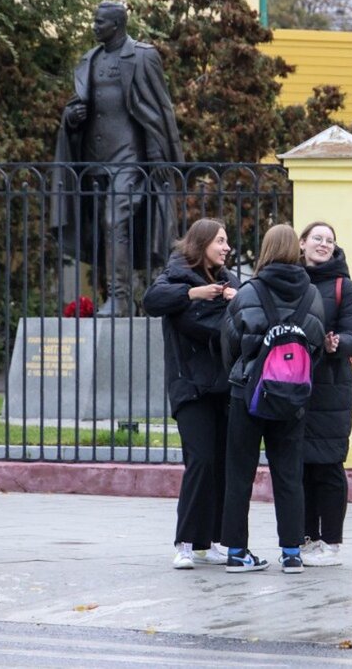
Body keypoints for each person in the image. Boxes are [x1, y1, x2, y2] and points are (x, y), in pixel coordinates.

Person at [51, 0, 183, 317]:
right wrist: (72, 117)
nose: (94, 27)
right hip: (94, 160)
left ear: (117, 25)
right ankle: (115, 297)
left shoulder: (142, 55)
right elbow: (77, 107)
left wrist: (159, 157)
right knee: (102, 229)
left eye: (100, 22)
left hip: (131, 159)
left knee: (115, 221)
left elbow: (159, 108)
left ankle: (120, 298)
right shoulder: (90, 59)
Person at [220, 224, 325, 574]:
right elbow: (316, 345)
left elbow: (230, 342)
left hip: (247, 393)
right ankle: (292, 552)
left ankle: (236, 551)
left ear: (265, 250)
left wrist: (246, 371)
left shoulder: (248, 291)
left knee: (239, 474)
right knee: (289, 474)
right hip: (291, 396)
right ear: (296, 249)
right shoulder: (311, 295)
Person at [143, 219, 239, 570]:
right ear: (202, 244)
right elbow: (153, 301)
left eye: (227, 241)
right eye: (220, 241)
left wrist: (230, 299)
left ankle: (211, 540)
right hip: (190, 387)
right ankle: (184, 542)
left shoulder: (229, 280)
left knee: (221, 464)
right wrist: (192, 296)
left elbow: (240, 319)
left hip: (225, 385)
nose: (226, 247)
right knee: (199, 460)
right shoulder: (176, 275)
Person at [296, 222, 352, 567]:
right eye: (317, 238)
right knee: (299, 466)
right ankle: (305, 538)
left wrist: (339, 344)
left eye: (330, 240)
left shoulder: (344, 286)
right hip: (292, 383)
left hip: (332, 386)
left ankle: (331, 542)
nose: (324, 244)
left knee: (327, 466)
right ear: (302, 243)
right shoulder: (292, 280)